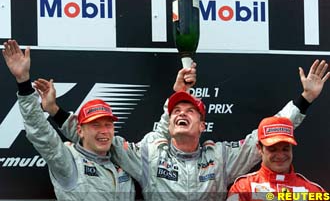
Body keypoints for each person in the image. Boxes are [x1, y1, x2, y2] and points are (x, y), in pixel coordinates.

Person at [37, 57, 328, 200]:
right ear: (169, 119)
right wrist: (54, 111)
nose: (181, 113)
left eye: (189, 111)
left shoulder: (222, 157)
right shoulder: (149, 154)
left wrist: (304, 100)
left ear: (203, 125)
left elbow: (268, 133)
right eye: (176, 110)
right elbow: (95, 137)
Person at [2, 39, 137, 200]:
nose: (103, 130)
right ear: (80, 130)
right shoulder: (69, 162)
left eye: (108, 125)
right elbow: (39, 131)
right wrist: (23, 82)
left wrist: (53, 109)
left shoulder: (122, 159)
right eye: (95, 125)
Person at [226, 116, 326, 201]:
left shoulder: (313, 191)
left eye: (285, 149)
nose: (280, 156)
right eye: (272, 150)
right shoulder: (243, 188)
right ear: (260, 148)